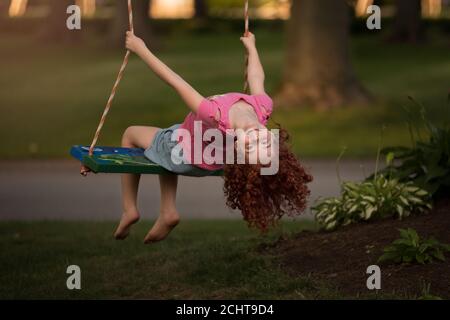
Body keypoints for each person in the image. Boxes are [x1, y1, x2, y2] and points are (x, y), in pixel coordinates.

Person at [114, 31, 312, 243]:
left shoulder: (213, 114)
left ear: (238, 151)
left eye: (250, 147)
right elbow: (256, 78)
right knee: (172, 139)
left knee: (132, 134)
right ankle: (168, 212)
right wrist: (251, 47)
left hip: (184, 152)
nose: (256, 138)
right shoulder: (263, 107)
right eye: (264, 142)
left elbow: (175, 81)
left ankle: (129, 209)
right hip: (199, 153)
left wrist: (140, 49)